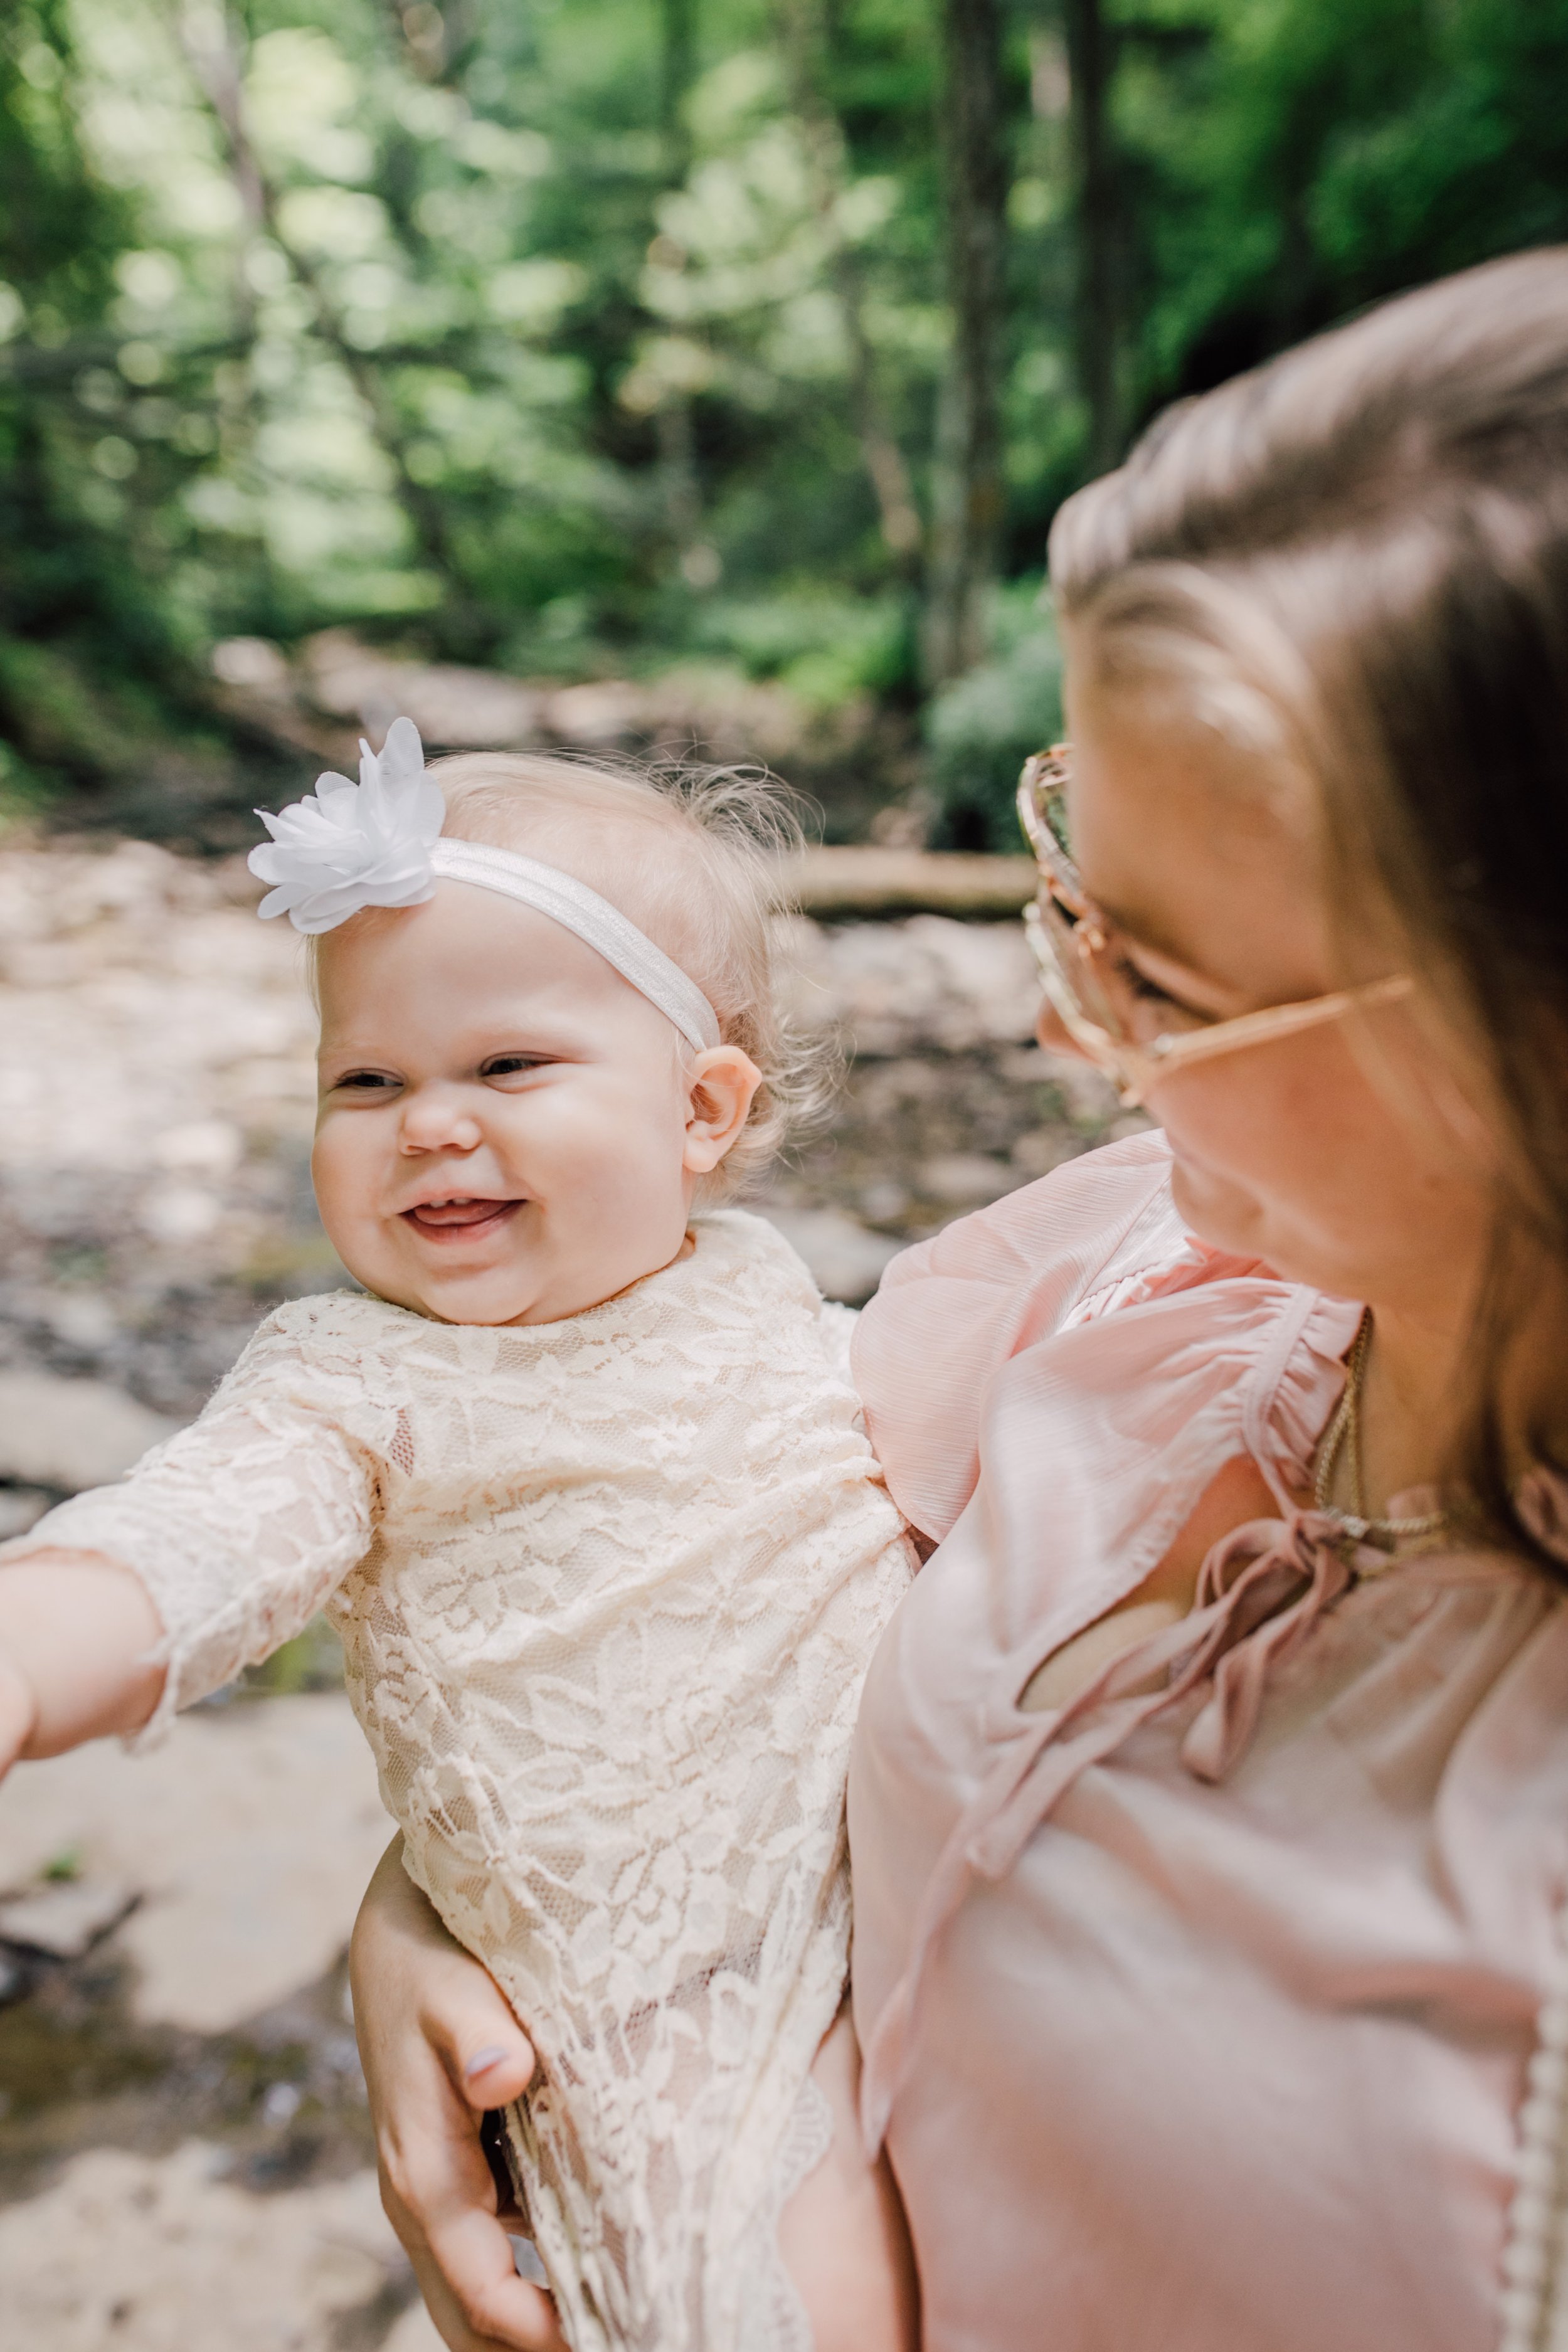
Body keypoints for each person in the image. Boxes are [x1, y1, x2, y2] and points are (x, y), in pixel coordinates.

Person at [347, 245, 1568, 2352]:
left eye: (1152, 975)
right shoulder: (1134, 1268)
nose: (1048, 1018)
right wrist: (448, 1900)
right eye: (1063, 869)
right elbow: (735, 1592)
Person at [0, 731, 918, 2352]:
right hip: (641, 2045)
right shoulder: (354, 1385)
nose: (427, 1124)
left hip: (900, 1951)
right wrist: (27, 1657)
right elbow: (193, 1542)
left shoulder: (790, 1309)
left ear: (701, 1112)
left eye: (505, 1071)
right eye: (366, 1081)